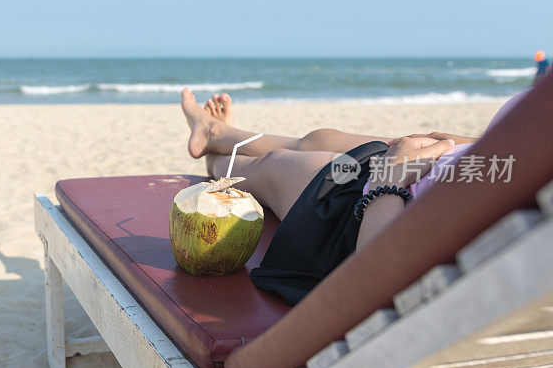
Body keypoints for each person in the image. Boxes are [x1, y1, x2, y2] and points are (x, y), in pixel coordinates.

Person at [181, 83, 529, 305]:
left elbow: (376, 278)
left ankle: (214, 159)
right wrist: (467, 145)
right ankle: (216, 131)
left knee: (271, 167)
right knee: (320, 138)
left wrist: (390, 177)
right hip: (423, 168)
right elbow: (514, 160)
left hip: (373, 207)